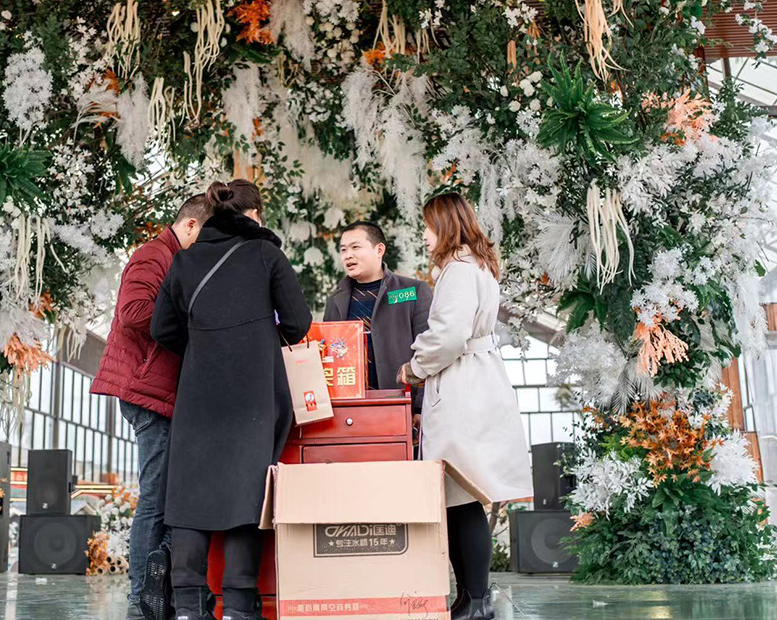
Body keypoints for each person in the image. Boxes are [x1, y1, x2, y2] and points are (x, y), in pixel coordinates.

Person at [151, 179, 312, 620]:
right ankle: (240, 604)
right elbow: (298, 323)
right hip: (253, 395)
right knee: (248, 493)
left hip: (198, 393)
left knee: (189, 495)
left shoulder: (184, 260)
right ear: (254, 214)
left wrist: (204, 347)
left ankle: (188, 604)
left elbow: (161, 328)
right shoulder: (266, 255)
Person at [398, 193, 533, 620]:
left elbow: (449, 335)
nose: (424, 235)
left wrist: (414, 367)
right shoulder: (479, 264)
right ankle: (472, 597)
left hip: (460, 384)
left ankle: (475, 599)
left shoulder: (457, 270)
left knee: (460, 496)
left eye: (428, 226)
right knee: (463, 494)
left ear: (444, 226)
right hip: (479, 379)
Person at [91, 194, 212, 620]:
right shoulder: (154, 255)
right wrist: (193, 322)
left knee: (166, 495)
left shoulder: (169, 257)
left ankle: (156, 594)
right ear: (191, 226)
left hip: (159, 391)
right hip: (147, 389)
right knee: (156, 498)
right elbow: (134, 312)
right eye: (207, 237)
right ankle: (141, 600)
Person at [324, 221, 432, 429]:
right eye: (343, 250)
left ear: (379, 250)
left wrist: (420, 408)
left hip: (400, 405)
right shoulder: (336, 301)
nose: (348, 255)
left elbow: (428, 350)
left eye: (355, 247)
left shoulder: (411, 291)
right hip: (349, 409)